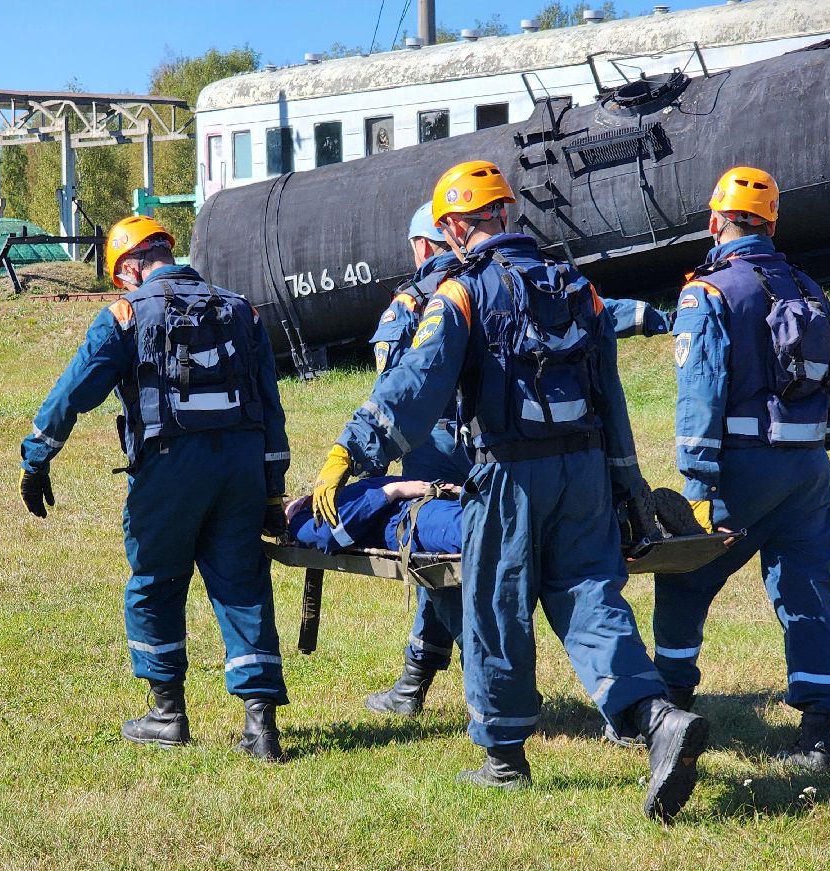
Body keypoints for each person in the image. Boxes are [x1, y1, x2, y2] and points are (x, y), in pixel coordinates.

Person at [311, 160, 709, 821]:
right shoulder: (576, 289)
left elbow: (414, 388)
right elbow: (609, 396)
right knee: (591, 599)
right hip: (583, 472)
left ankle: (503, 759)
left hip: (507, 475)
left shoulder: (463, 294)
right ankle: (657, 717)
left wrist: (349, 450)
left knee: (495, 610)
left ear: (456, 227)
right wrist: (629, 484)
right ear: (505, 213)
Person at [19, 215, 292, 762]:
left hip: (169, 469)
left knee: (156, 582)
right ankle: (261, 728)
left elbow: (75, 390)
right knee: (242, 586)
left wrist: (37, 458)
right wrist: (271, 491)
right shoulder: (241, 309)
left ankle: (167, 714)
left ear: (129, 268)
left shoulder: (125, 315)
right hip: (240, 468)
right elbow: (269, 406)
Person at [655, 167, 830, 773]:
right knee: (807, 592)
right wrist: (822, 443)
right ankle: (817, 733)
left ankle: (670, 706)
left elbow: (699, 394)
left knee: (684, 583)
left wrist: (697, 482)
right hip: (808, 469)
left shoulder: (707, 292)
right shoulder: (808, 287)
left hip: (739, 471)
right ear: (770, 225)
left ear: (717, 223)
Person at [361, 203, 473, 717]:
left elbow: (393, 391)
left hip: (436, 450)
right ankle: (412, 683)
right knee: (451, 561)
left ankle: (493, 682)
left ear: (424, 245)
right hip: (497, 447)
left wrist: (367, 466)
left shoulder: (410, 304)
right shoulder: (488, 284)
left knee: (437, 559)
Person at [286, 479, 462, 555]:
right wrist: (390, 491)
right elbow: (329, 536)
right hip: (412, 521)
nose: (295, 499)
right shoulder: (300, 522)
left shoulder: (326, 498)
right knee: (475, 532)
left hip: (439, 503)